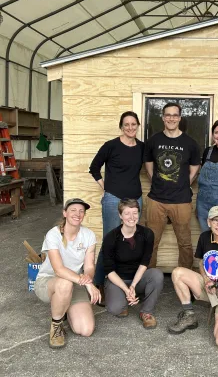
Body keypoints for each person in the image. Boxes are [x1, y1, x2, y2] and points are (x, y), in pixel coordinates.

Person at [167, 206, 218, 348]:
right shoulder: (205, 237)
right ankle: (189, 315)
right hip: (209, 288)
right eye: (215, 220)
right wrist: (206, 279)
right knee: (177, 273)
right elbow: (201, 261)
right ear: (208, 222)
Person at [89, 111, 144, 298]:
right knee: (110, 242)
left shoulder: (142, 148)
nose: (130, 128)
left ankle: (129, 283)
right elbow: (94, 168)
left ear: (138, 126)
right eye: (126, 124)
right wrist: (105, 188)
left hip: (136, 200)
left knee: (131, 241)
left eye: (133, 124)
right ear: (121, 126)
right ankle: (99, 283)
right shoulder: (111, 146)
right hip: (114, 199)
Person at [34, 198, 101, 349]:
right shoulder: (54, 234)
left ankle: (63, 307)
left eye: (81, 211)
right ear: (65, 213)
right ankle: (56, 325)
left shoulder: (89, 235)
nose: (77, 214)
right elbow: (59, 270)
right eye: (73, 210)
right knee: (65, 283)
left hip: (75, 282)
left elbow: (89, 266)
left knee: (86, 329)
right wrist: (89, 285)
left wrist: (88, 277)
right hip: (49, 282)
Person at [144, 102, 201, 269]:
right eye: (168, 115)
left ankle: (184, 276)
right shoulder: (153, 141)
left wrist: (184, 184)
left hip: (182, 200)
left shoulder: (190, 143)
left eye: (175, 115)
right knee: (151, 242)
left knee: (184, 243)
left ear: (180, 118)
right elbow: (149, 166)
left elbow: (194, 168)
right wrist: (158, 180)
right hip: (156, 200)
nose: (171, 118)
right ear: (163, 118)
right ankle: (149, 277)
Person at [102, 199, 164, 329]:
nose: (131, 217)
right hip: (117, 280)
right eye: (127, 213)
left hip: (138, 278)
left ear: (139, 214)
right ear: (120, 215)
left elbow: (144, 262)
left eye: (135, 213)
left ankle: (146, 312)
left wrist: (133, 285)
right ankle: (124, 297)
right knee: (116, 309)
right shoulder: (111, 237)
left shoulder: (147, 234)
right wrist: (126, 289)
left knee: (157, 275)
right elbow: (109, 270)